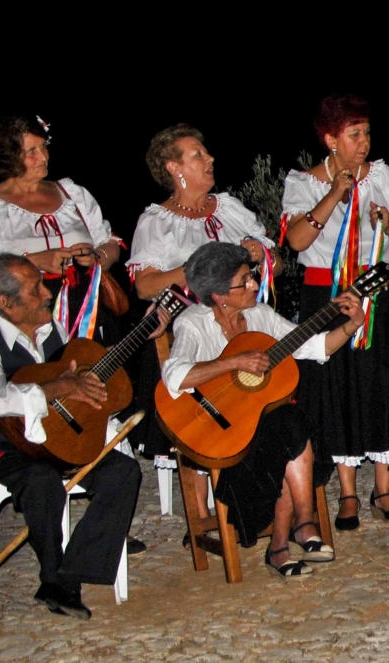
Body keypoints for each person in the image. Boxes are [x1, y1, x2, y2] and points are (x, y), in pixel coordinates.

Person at [0, 254, 144, 618]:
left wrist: (92, 394)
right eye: (35, 288)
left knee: (123, 472)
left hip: (57, 441)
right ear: (6, 303)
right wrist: (57, 388)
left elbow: (78, 377)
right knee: (41, 481)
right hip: (3, 446)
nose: (47, 292)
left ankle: (72, 572)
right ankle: (56, 579)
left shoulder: (52, 329)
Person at [161, 243, 366, 578]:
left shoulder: (260, 315)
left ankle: (286, 541)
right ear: (218, 295)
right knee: (288, 430)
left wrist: (350, 325)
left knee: (289, 424)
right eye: (245, 281)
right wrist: (233, 362)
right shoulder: (193, 322)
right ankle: (297, 530)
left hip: (265, 426)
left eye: (252, 277)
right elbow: (173, 375)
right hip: (222, 430)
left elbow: (314, 347)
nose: (255, 285)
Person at [281, 94, 389, 530]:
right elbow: (297, 242)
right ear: (330, 139)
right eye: (355, 134)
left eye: (367, 132)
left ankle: (384, 488)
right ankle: (347, 494)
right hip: (328, 293)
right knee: (337, 386)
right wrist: (335, 193)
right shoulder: (303, 182)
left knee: (382, 382)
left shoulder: (384, 176)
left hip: (380, 288)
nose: (365, 142)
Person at [128, 124, 280, 485]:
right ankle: (205, 495)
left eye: (206, 152)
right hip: (192, 329)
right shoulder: (157, 221)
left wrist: (262, 256)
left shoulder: (229, 208)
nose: (210, 158)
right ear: (173, 167)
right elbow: (144, 285)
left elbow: (278, 264)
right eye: (198, 155)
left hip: (242, 322)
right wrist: (196, 269)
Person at [0, 115, 125, 343]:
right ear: (7, 157)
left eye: (43, 146)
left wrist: (96, 256)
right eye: (31, 151)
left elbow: (110, 244)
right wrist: (34, 261)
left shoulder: (73, 194)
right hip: (27, 322)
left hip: (87, 317)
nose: (43, 156)